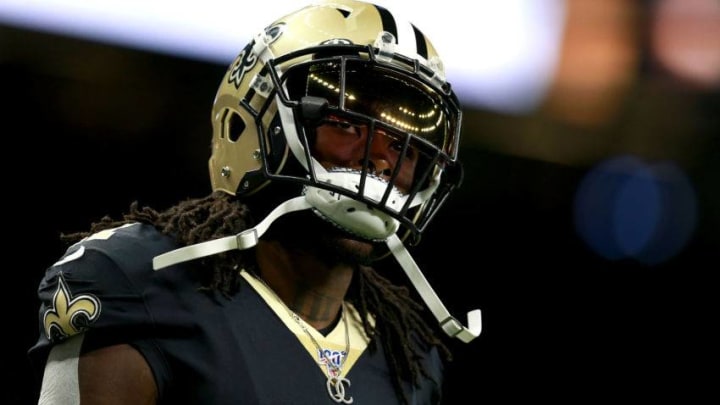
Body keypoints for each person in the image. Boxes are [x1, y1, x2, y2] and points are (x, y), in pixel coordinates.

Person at [28, 0, 481, 403]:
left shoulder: (411, 362)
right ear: (256, 123)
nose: (384, 159)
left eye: (409, 146)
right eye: (346, 124)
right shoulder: (140, 280)